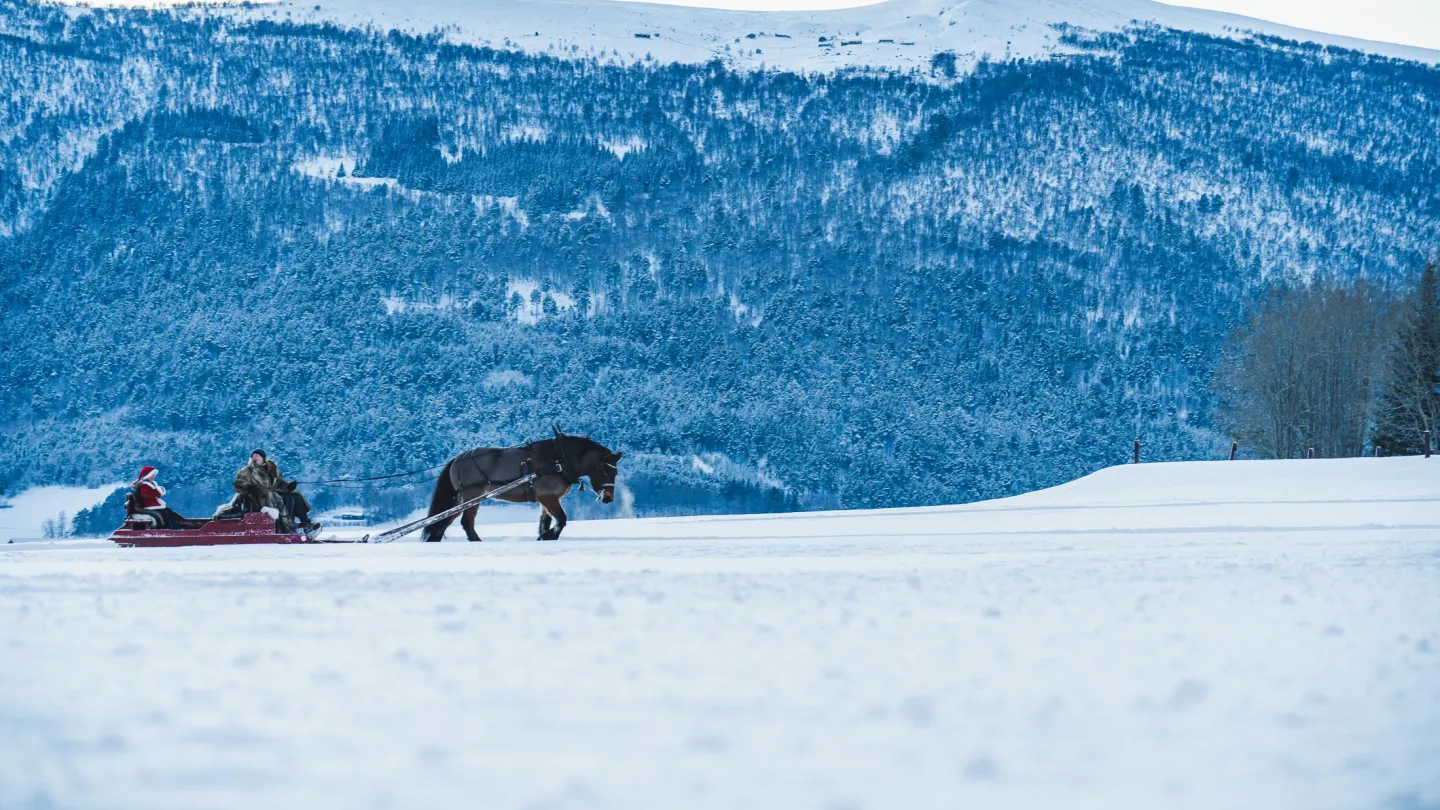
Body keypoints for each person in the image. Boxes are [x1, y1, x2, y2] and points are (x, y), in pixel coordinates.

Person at [233, 449, 318, 534]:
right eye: (252, 456)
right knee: (288, 499)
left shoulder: (272, 469)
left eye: (256, 455)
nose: (254, 457)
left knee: (295, 495)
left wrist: (288, 486)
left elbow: (279, 483)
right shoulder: (247, 471)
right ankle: (288, 527)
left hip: (272, 497)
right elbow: (238, 485)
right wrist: (249, 488)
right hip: (256, 501)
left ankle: (306, 523)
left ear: (263, 457)